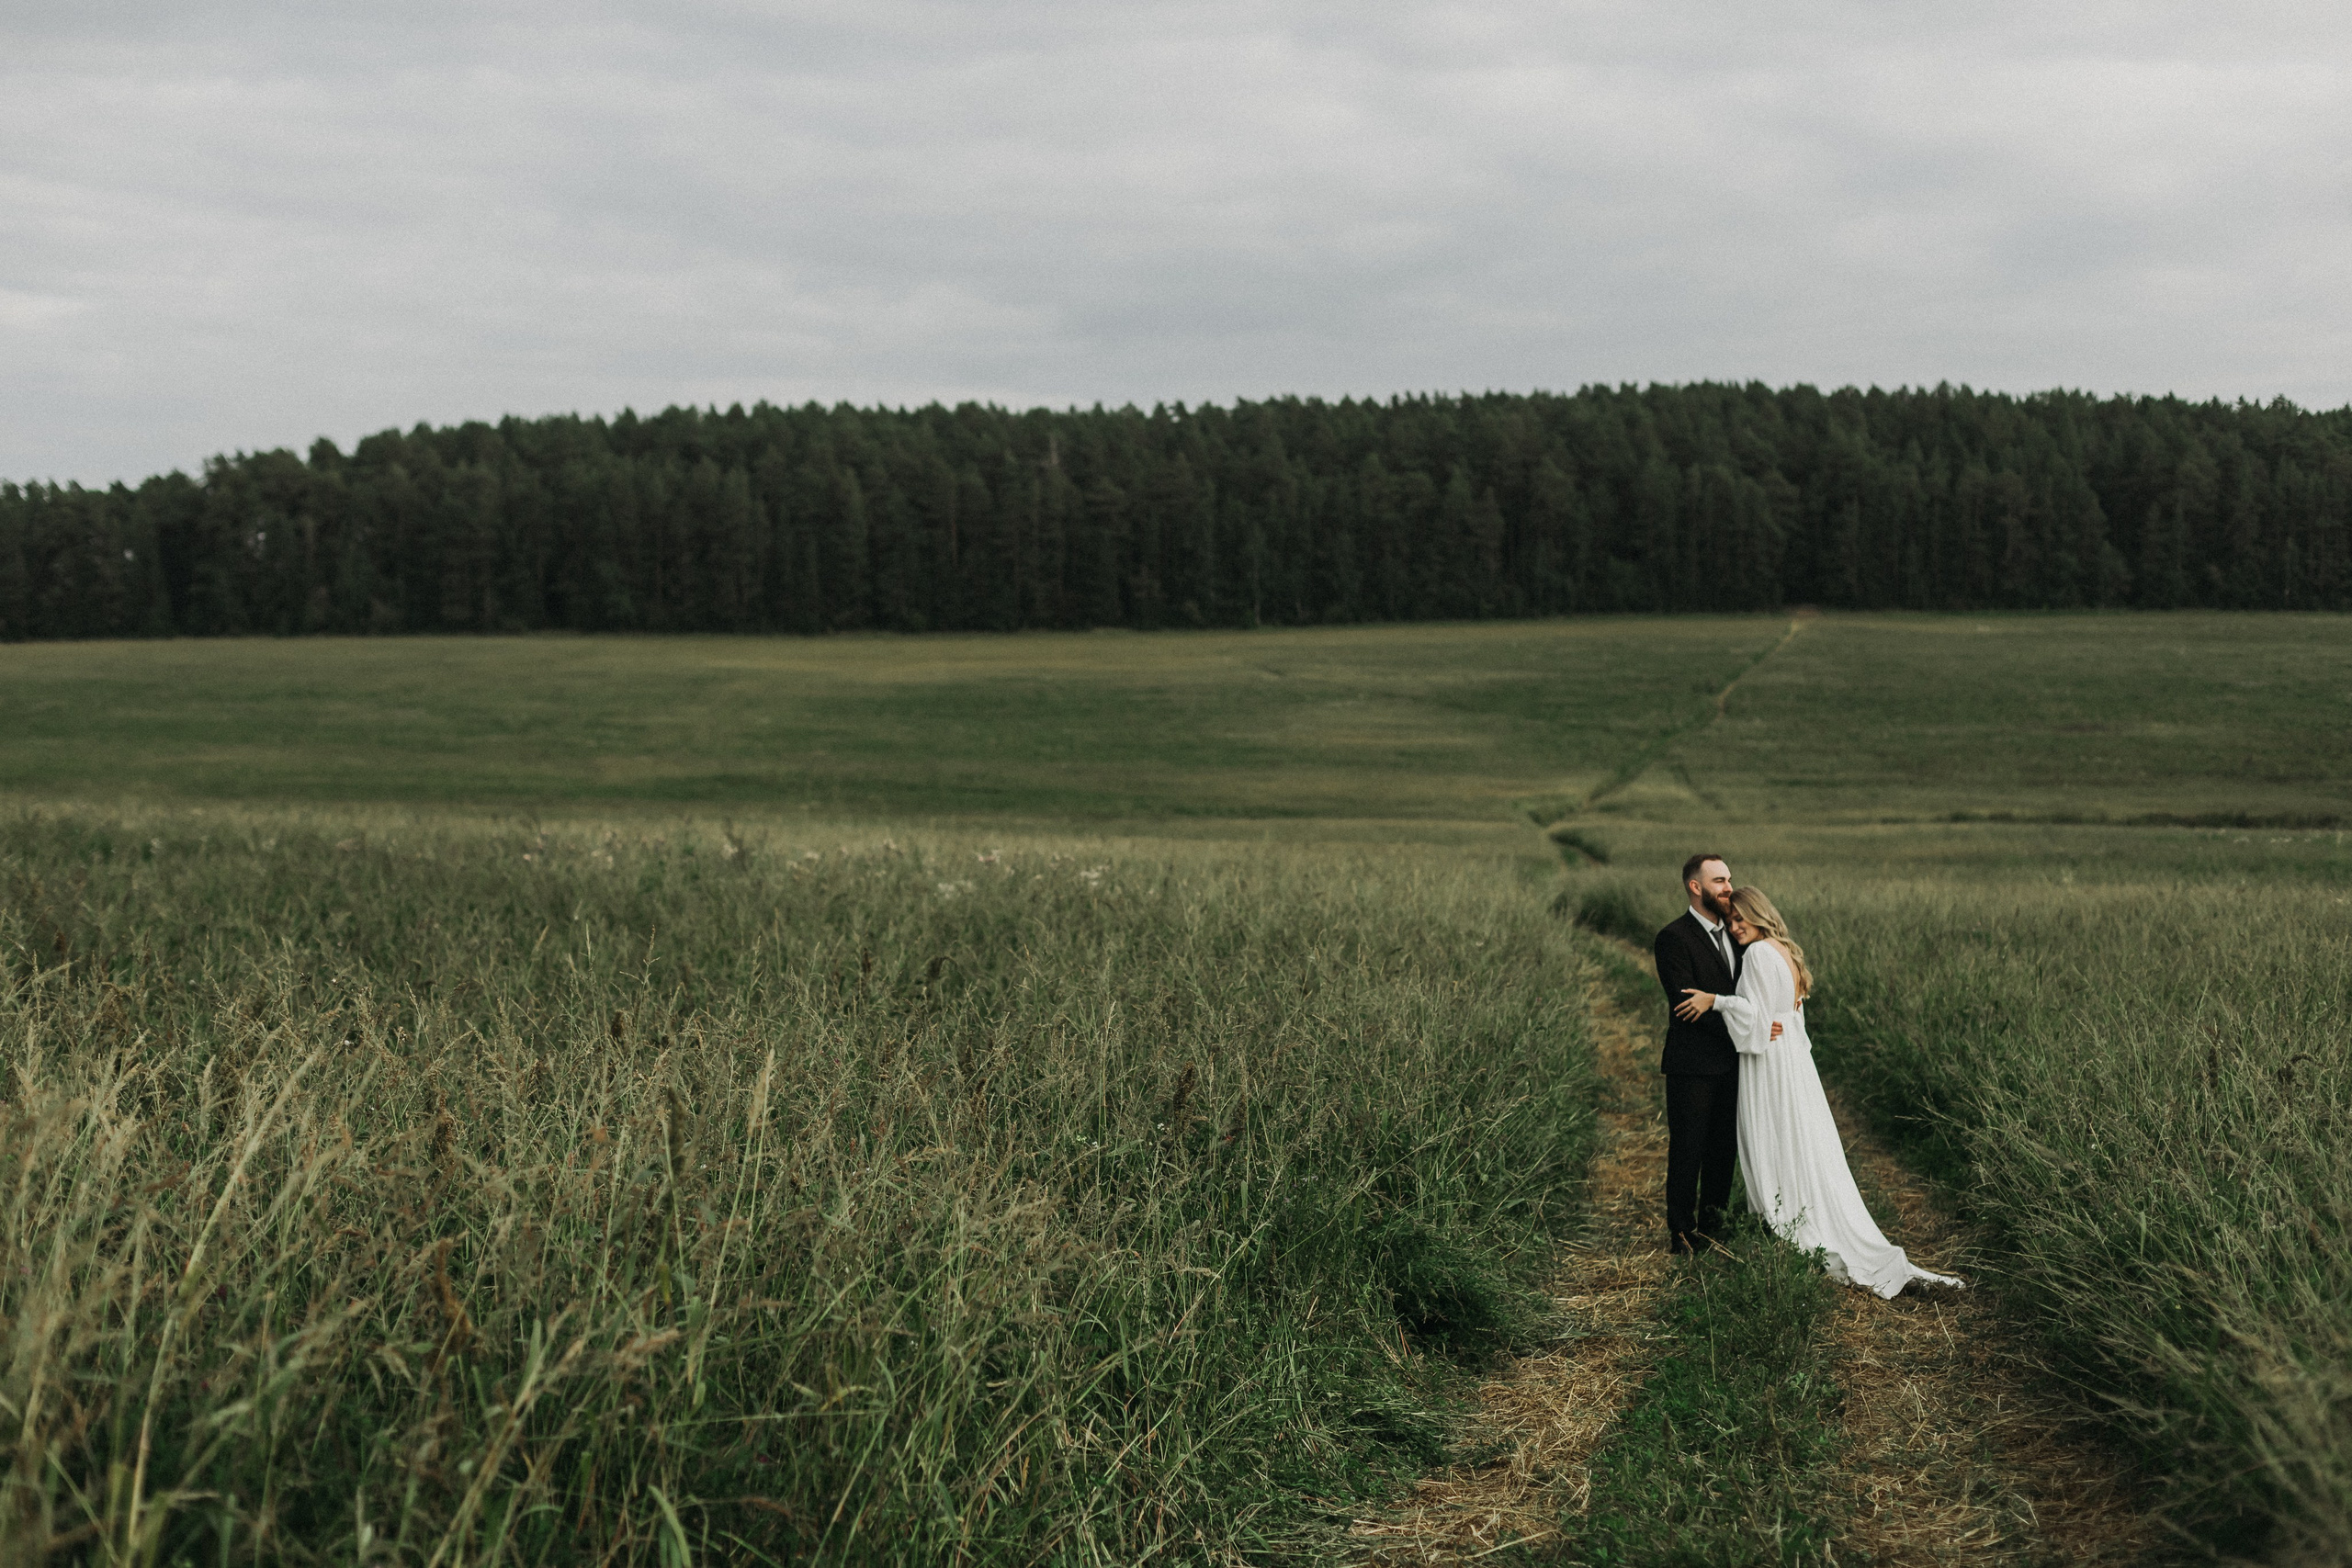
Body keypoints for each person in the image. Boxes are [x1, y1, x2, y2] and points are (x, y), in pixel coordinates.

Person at [1675, 886, 1964, 1298]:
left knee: (1776, 1138)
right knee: (1801, 1139)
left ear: (1760, 915)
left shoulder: (1756, 954)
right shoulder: (1785, 951)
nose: (1735, 927)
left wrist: (1715, 1001)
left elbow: (1755, 1018)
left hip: (1770, 1062)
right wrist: (1764, 1021)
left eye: (1741, 919)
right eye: (1731, 921)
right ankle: (1808, 1208)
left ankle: (1791, 1219)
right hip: (1793, 1061)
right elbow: (1787, 1015)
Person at [1651, 853, 1743, 1255]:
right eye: (1719, 880)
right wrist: (1746, 1026)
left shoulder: (1740, 935)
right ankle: (1682, 1232)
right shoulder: (1673, 938)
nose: (1728, 887)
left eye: (1729, 879)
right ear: (1695, 886)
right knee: (1688, 1147)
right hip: (1692, 1063)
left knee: (1724, 1148)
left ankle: (1714, 1226)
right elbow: (1686, 1006)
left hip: (1738, 1061)